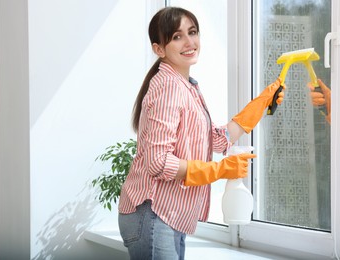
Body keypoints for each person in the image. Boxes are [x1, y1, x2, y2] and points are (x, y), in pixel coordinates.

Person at [118, 7, 285, 260]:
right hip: (153, 213)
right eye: (176, 36)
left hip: (167, 215)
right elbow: (157, 162)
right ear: (159, 49)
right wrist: (217, 171)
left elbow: (215, 139)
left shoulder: (187, 87)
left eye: (192, 32)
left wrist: (260, 105)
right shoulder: (168, 87)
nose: (189, 42)